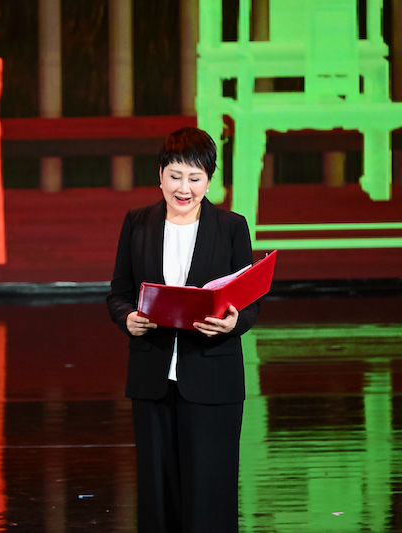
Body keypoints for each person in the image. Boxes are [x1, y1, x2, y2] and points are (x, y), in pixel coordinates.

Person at [106, 127, 259, 533]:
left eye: (195, 178)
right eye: (175, 176)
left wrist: (233, 322)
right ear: (160, 175)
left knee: (211, 489)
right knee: (158, 492)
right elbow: (119, 293)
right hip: (152, 378)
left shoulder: (231, 226)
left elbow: (249, 302)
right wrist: (128, 318)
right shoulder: (137, 222)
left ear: (209, 180)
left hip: (213, 376)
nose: (184, 188)